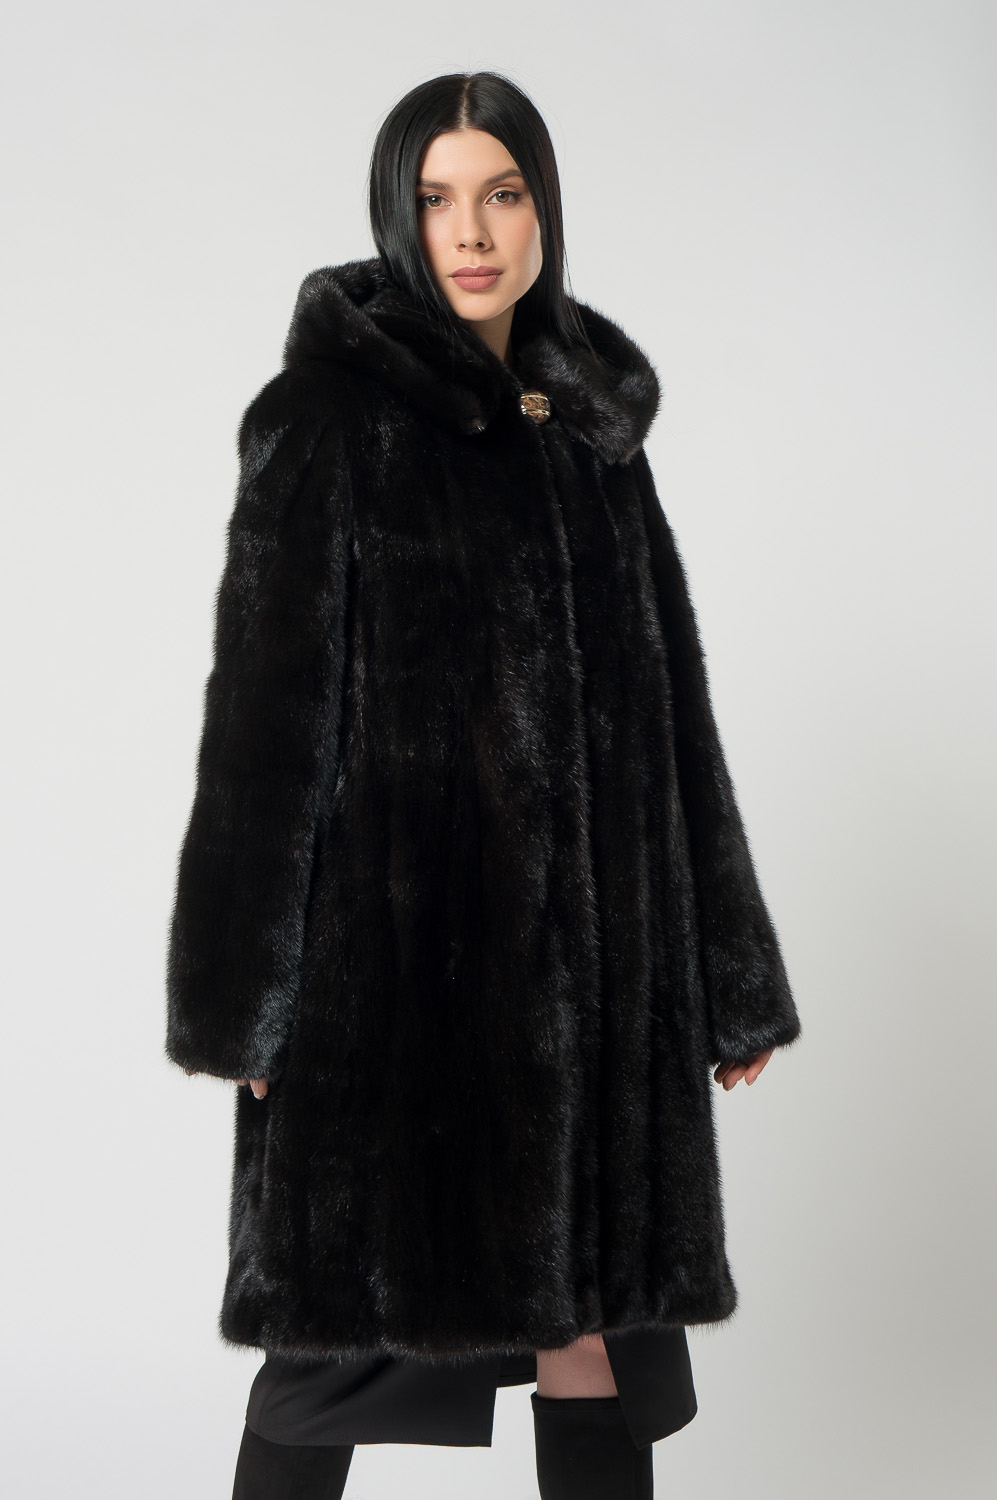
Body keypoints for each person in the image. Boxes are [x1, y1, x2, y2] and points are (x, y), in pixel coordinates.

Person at [165, 70, 802, 1500]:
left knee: (591, 1340)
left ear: (542, 210)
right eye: (436, 198)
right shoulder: (329, 422)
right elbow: (261, 729)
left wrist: (727, 973)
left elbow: (670, 718)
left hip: (596, 995)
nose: (470, 231)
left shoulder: (591, 434)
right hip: (397, 992)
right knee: (327, 1359)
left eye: (501, 193)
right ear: (396, 216)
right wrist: (239, 995)